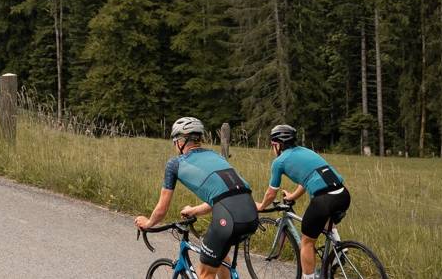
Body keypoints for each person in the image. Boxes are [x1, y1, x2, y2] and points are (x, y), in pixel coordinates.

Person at [135, 116, 259, 279]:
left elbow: (162, 209)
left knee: (205, 272)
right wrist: (194, 210)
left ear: (180, 141)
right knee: (219, 255)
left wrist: (148, 223)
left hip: (229, 219)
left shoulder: (175, 164)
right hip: (250, 214)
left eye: (174, 142)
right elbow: (222, 196)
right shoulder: (216, 156)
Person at [254, 124, 351, 279]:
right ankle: (339, 251)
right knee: (326, 223)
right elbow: (307, 179)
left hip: (324, 200)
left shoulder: (279, 162)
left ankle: (310, 276)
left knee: (306, 242)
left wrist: (261, 206)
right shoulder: (306, 152)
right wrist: (292, 196)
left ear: (277, 144)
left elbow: (271, 193)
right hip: (343, 194)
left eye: (272, 145)